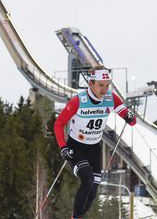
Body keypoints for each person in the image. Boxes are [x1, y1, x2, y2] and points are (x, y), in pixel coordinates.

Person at [54, 65, 137, 219]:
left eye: (107, 85)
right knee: (88, 179)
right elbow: (58, 124)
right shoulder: (78, 101)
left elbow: (131, 121)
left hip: (94, 149)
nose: (104, 90)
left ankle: (78, 216)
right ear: (90, 83)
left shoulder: (110, 99)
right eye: (100, 85)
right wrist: (63, 147)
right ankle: (76, 217)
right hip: (76, 147)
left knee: (93, 189)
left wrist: (130, 117)